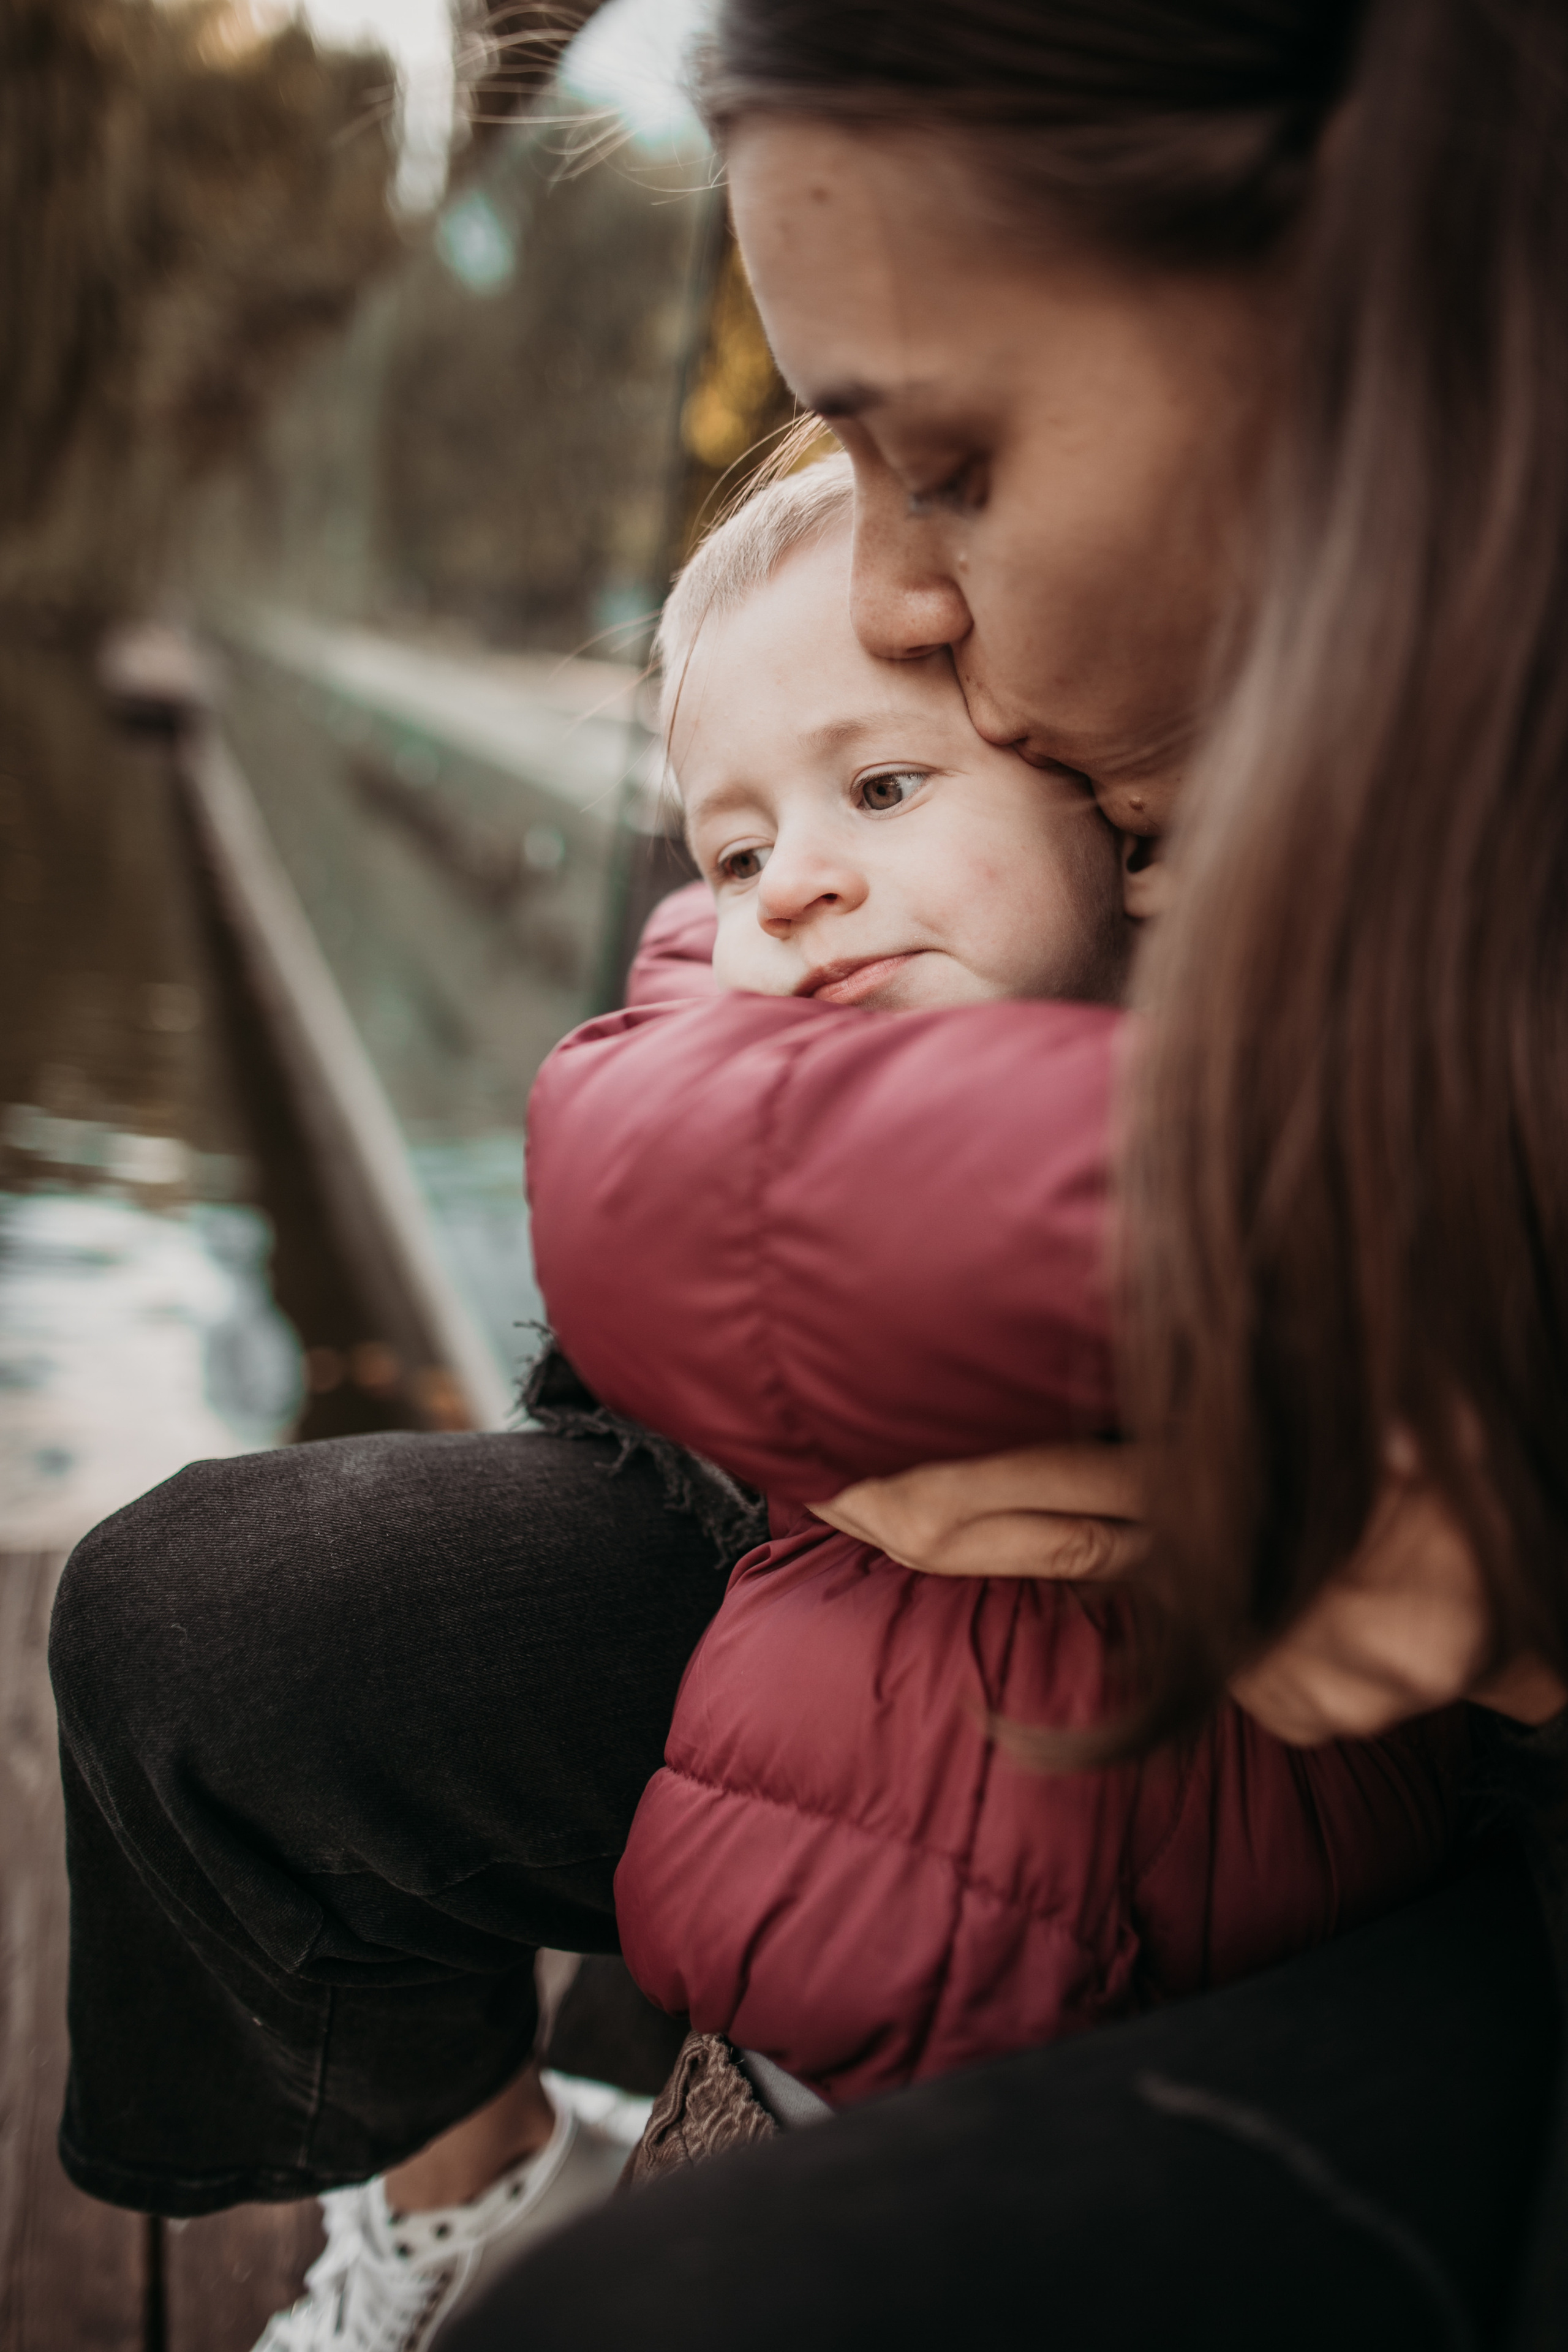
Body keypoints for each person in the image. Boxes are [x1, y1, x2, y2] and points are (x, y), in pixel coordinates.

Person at [45, 2, 1567, 2348]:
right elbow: (634, 1139)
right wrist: (1251, 1301)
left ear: (1386, 310)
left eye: (942, 456)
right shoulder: (1087, 795)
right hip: (932, 1736)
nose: (894, 587)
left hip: (1409, 1875)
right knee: (206, 1615)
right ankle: (453, 2190)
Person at [535, 449, 1464, 2145]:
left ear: (1124, 812)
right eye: (735, 851)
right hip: (809, 2001)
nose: (791, 883)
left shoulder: (1299, 1028)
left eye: (883, 792)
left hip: (1222, 2039)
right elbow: (638, 1125)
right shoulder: (767, 1048)